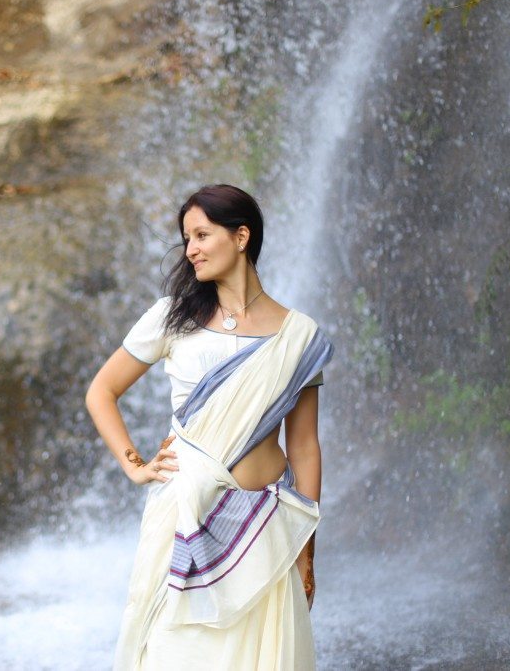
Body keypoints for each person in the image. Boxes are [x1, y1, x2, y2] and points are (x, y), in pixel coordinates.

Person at [85, 184, 334, 670]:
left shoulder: (300, 337)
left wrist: (306, 548)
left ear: (241, 237)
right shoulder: (171, 318)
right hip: (184, 512)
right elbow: (102, 391)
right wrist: (136, 466)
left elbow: (304, 447)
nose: (191, 249)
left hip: (265, 527)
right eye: (186, 239)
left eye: (202, 234)